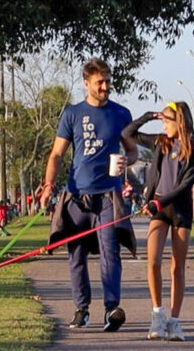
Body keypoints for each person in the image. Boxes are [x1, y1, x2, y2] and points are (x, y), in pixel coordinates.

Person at [40, 58, 137, 332]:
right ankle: (81, 309)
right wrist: (48, 185)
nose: (105, 86)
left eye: (107, 81)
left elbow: (132, 151)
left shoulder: (121, 114)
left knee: (110, 251)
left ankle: (111, 309)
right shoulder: (72, 114)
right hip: (76, 196)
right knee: (76, 254)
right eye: (99, 82)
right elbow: (57, 154)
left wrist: (126, 161)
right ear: (86, 84)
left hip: (108, 195)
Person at [123, 101, 194, 341]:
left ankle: (175, 321)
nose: (163, 124)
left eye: (167, 120)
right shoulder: (161, 141)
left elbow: (184, 185)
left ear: (181, 121)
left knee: (177, 266)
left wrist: (160, 202)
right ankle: (157, 315)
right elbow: (127, 133)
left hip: (179, 209)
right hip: (157, 207)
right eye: (161, 120)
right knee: (153, 261)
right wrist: (149, 115)